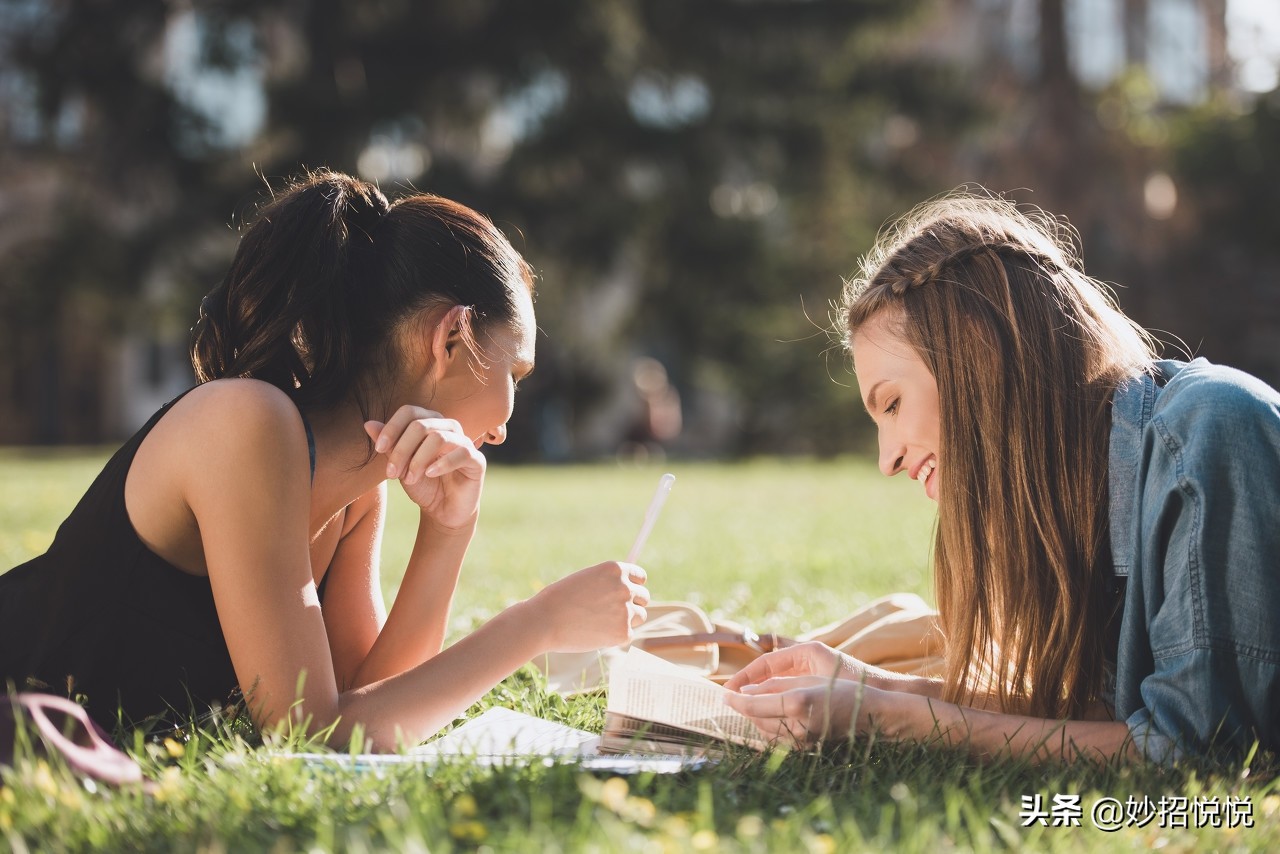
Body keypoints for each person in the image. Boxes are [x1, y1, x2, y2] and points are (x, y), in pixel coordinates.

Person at [0, 169, 650, 751]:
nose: (508, 423)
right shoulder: (246, 423)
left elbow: (374, 707)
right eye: (516, 371)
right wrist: (538, 624)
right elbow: (310, 733)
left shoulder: (359, 491)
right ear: (449, 338)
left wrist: (448, 533)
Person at [725, 192, 1280, 764]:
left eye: (891, 405)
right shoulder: (1093, 497)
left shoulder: (1209, 433)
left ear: (980, 357)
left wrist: (883, 718)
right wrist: (873, 687)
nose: (887, 459)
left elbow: (1206, 752)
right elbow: (1114, 716)